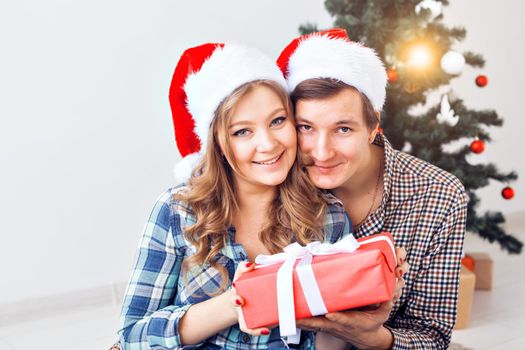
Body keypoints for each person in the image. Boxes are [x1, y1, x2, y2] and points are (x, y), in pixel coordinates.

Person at [116, 42, 354, 350]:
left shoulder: (328, 217)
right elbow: (132, 336)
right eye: (243, 132)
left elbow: (331, 340)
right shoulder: (178, 211)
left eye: (278, 121)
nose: (268, 144)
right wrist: (237, 303)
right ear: (218, 143)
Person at [276, 29, 467, 349]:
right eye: (305, 127)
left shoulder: (440, 195)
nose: (321, 153)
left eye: (343, 129)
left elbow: (432, 335)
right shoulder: (273, 178)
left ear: (373, 126)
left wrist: (372, 338)